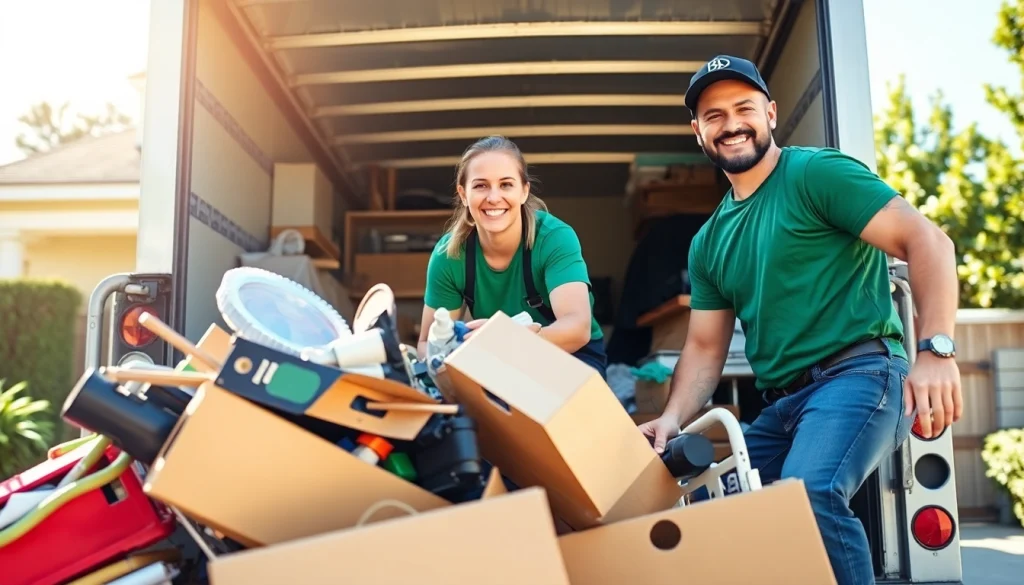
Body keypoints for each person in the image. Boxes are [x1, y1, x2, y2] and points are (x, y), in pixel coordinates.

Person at [637, 55, 963, 585]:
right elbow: (703, 348)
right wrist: (672, 418)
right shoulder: (710, 242)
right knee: (730, 509)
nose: (731, 123)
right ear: (697, 131)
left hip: (861, 376)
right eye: (714, 115)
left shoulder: (815, 173)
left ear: (770, 112)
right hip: (785, 403)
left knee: (810, 492)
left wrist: (936, 352)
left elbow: (928, 241)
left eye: (743, 108)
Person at [418, 135, 608, 378]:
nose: (494, 197)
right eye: (480, 185)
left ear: (524, 191)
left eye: (506, 184)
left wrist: (504, 341)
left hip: (570, 355)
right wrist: (451, 361)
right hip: (492, 363)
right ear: (463, 194)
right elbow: (426, 344)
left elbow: (577, 329)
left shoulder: (554, 238)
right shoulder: (450, 256)